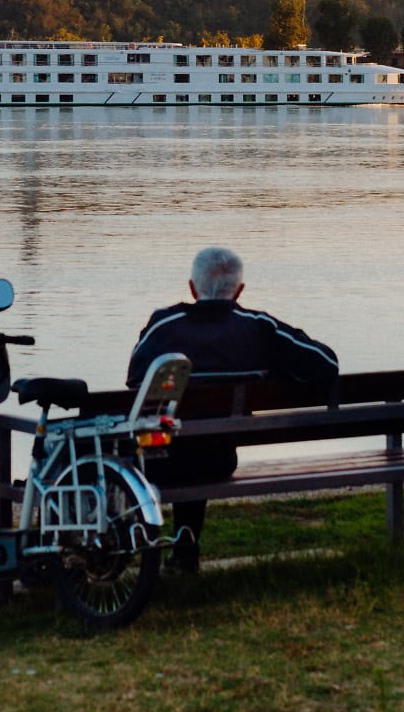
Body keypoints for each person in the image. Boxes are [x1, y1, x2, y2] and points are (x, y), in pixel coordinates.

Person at [126, 245, 337, 571]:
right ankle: (184, 547)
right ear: (239, 290)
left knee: (181, 438)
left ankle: (164, 551)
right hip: (219, 460)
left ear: (192, 288)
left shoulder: (163, 325)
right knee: (201, 442)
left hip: (158, 462)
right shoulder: (258, 327)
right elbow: (325, 364)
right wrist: (277, 369)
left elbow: (135, 381)